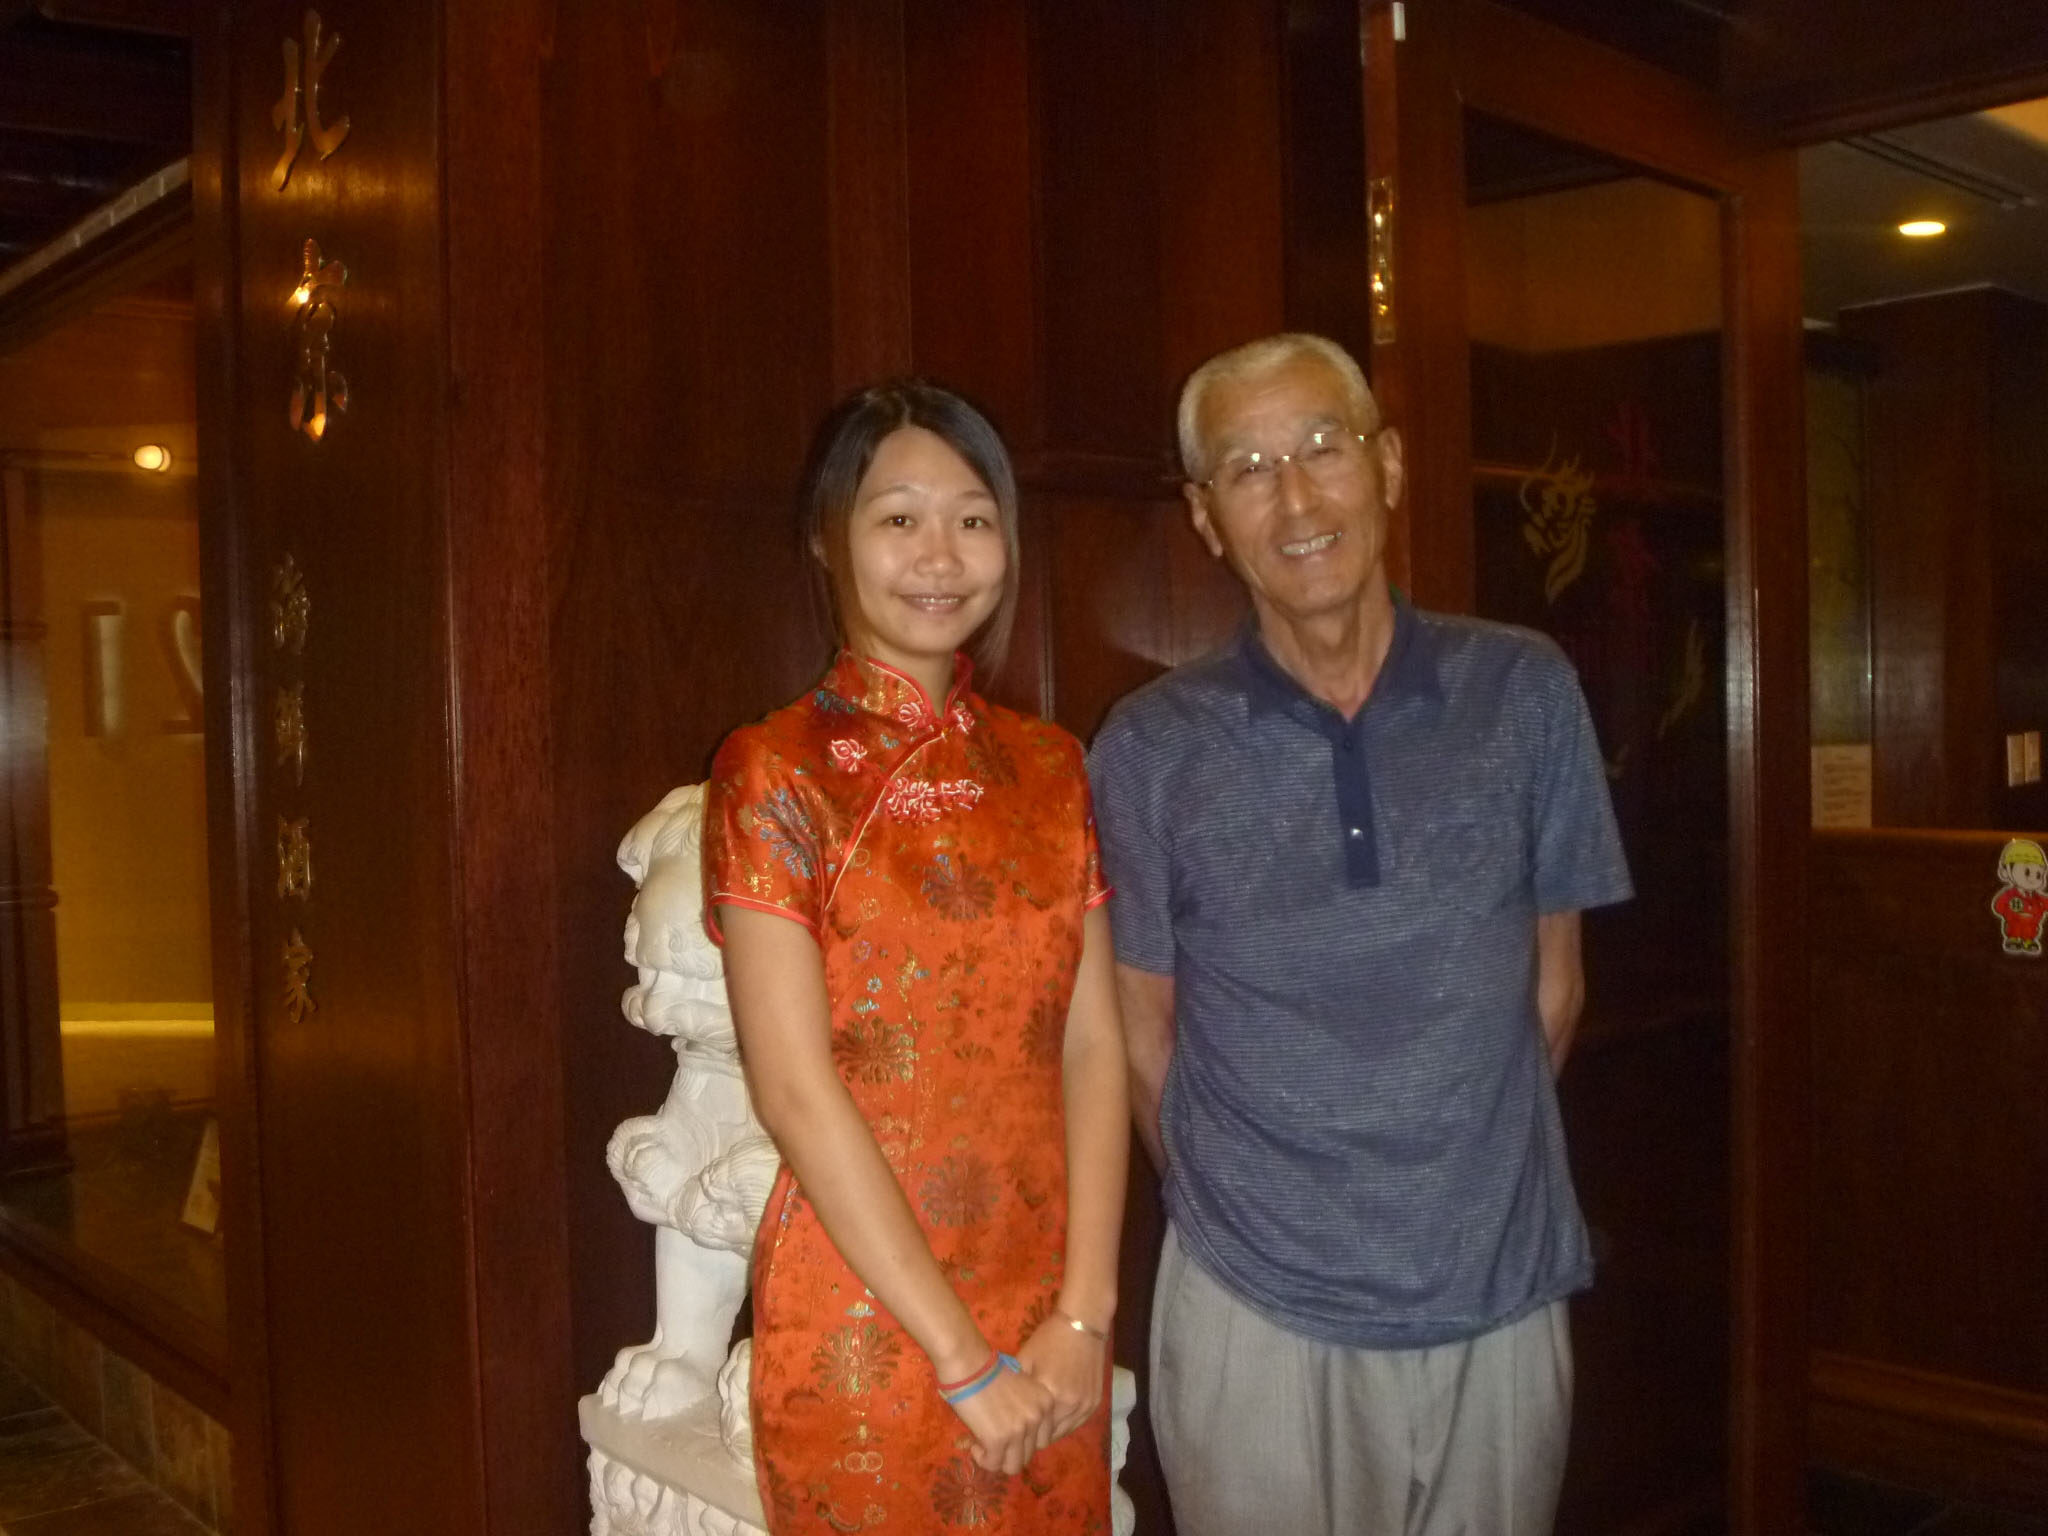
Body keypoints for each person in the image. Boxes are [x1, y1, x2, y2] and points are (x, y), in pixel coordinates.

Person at [1087, 333, 1633, 1536]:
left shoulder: (1523, 690)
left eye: (1322, 447)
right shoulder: (1148, 746)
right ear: (1205, 517)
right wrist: (1260, 1210)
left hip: (1496, 1286)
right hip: (1253, 1305)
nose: (1295, 499)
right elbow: (1138, 1033)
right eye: (1247, 468)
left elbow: (1552, 993)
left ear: (1386, 465)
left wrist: (1436, 1183)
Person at [702, 380, 1128, 1534]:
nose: (940, 555)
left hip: (1046, 1308)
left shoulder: (1051, 768)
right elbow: (795, 1091)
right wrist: (961, 1359)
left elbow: (1092, 1045)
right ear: (825, 538)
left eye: (972, 518)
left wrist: (1084, 1313)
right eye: (898, 518)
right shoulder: (775, 770)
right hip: (867, 1318)